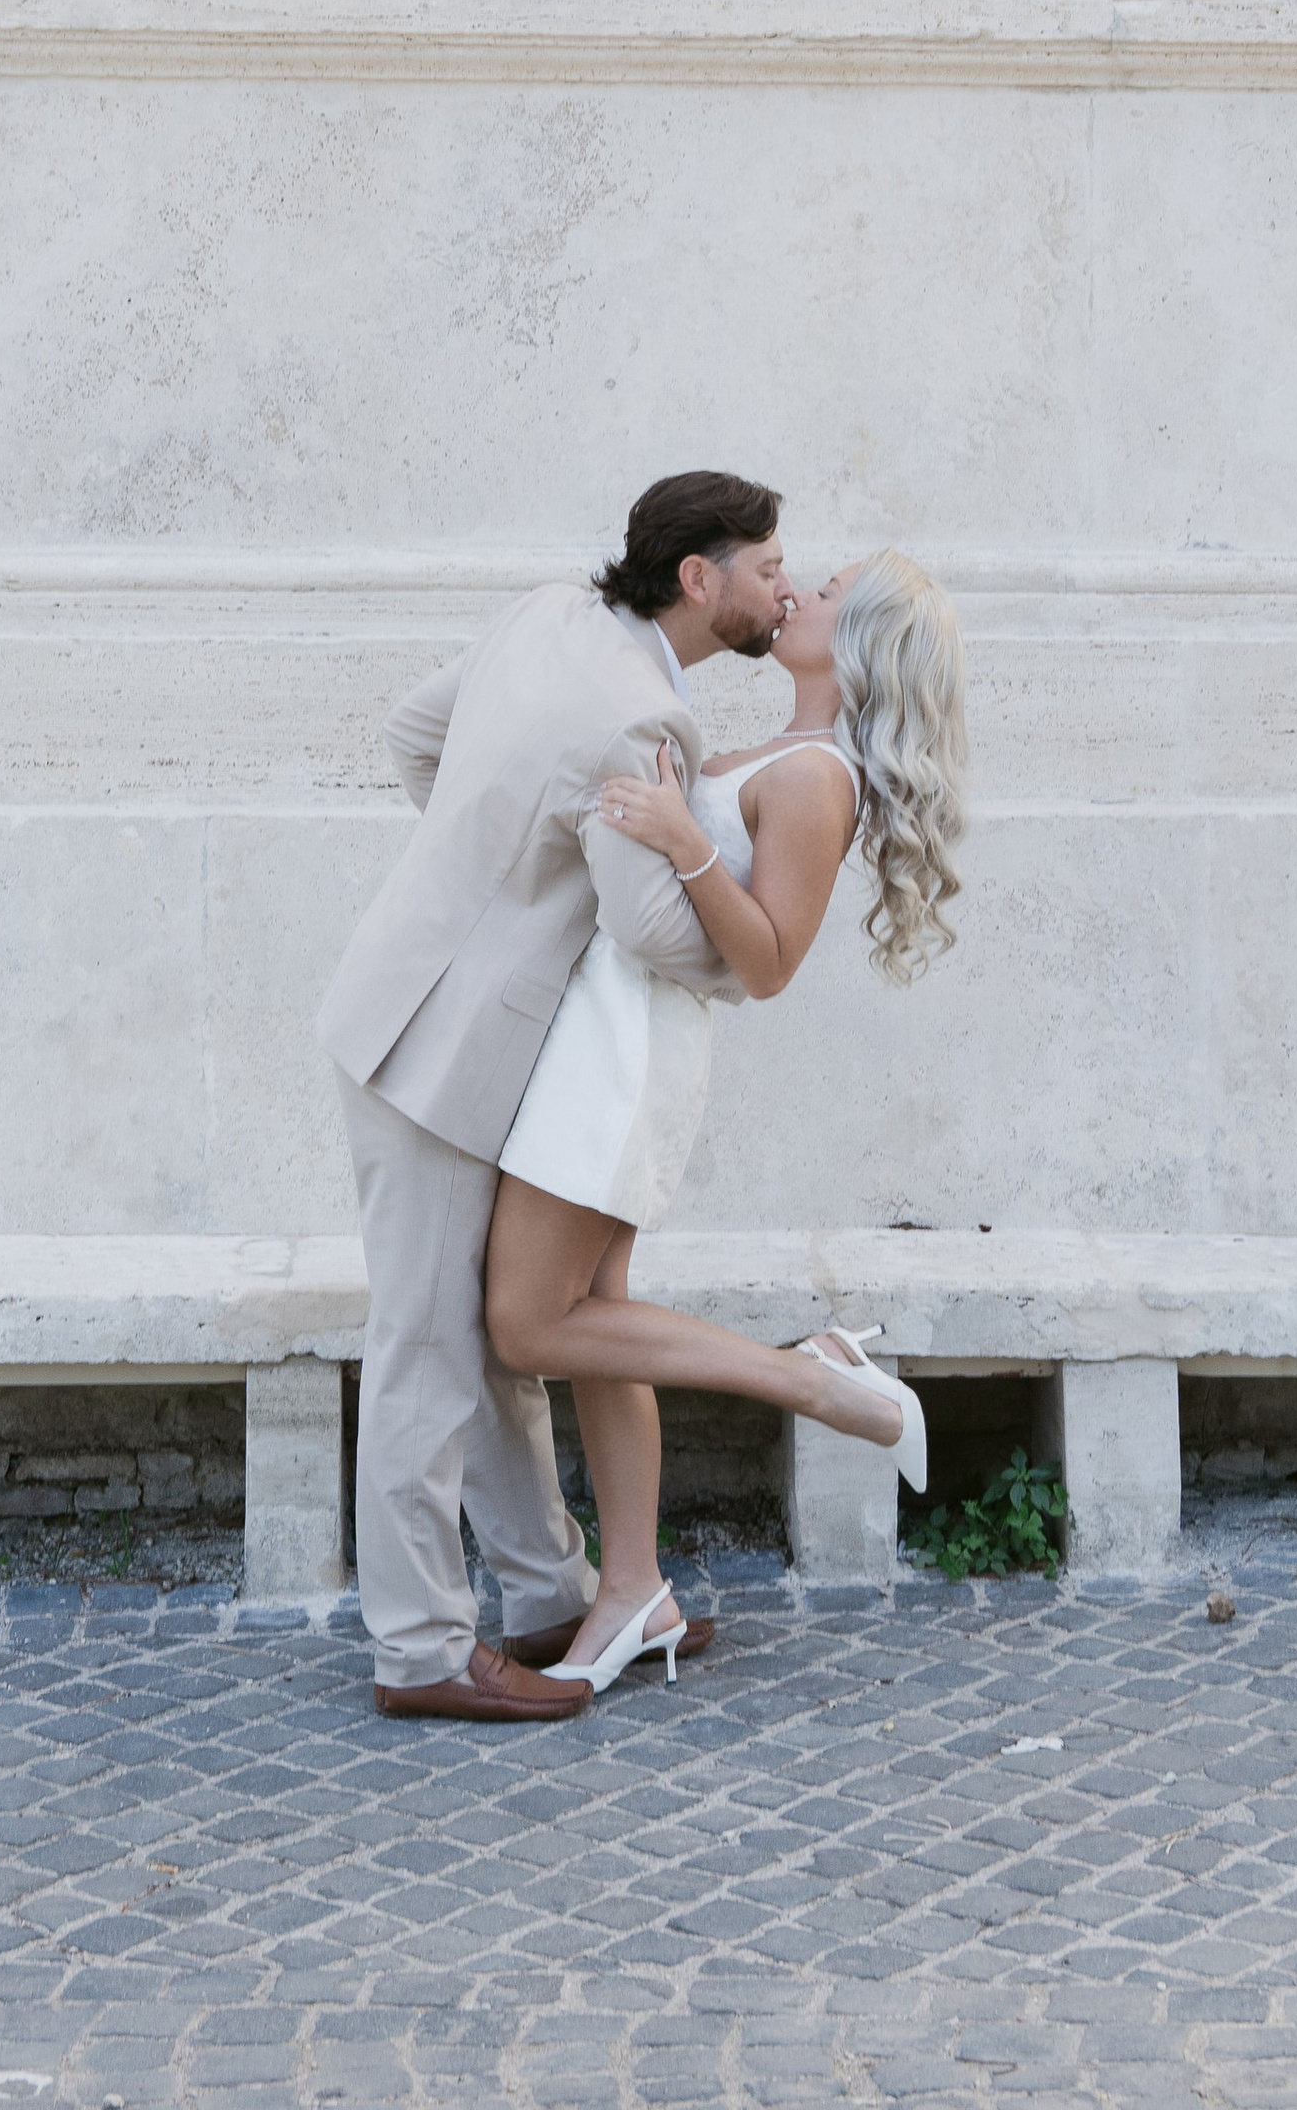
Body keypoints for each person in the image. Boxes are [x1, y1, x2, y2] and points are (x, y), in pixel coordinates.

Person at [317, 470, 792, 1721]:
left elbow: (415, 737)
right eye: (767, 565)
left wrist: (494, 883)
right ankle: (420, 1648)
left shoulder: (543, 613)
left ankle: (544, 1595)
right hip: (436, 1052)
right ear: (702, 580)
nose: (783, 586)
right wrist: (742, 962)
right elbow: (645, 930)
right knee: (427, 1347)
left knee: (488, 1339)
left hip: (415, 1011)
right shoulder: (643, 724)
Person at [484, 552, 969, 1693]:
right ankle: (633, 1590)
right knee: (592, 1318)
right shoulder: (771, 749)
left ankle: (809, 1380)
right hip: (603, 1028)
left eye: (831, 592)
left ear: (863, 648)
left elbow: (768, 963)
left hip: (629, 1051)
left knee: (524, 1324)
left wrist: (681, 837)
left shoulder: (817, 778)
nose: (798, 590)